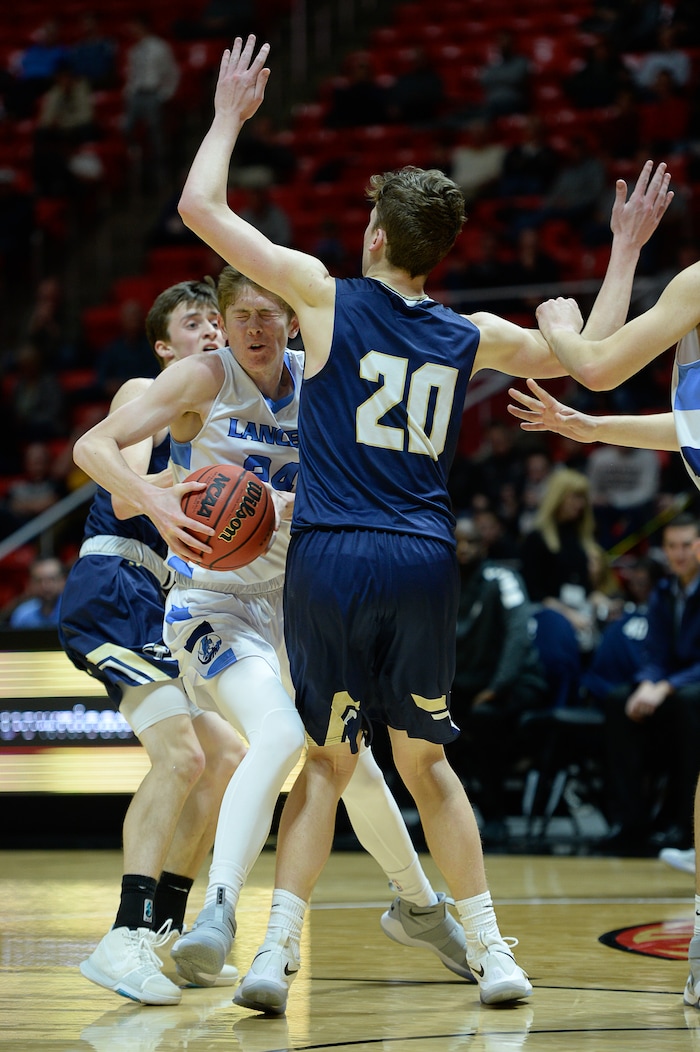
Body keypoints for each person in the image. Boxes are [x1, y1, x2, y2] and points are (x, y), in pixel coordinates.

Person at [174, 36, 672, 1014]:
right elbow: (591, 357)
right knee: (427, 765)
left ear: (372, 236)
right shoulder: (468, 332)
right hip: (418, 555)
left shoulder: (320, 295)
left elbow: (200, 209)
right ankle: (493, 954)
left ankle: (274, 954)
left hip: (328, 552)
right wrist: (620, 252)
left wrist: (230, 114)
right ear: (437, 251)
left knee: (327, 760)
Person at [73, 264, 477, 995]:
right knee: (284, 739)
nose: (255, 329)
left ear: (294, 321)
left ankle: (420, 905)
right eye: (241, 317)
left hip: (301, 600)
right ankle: (219, 913)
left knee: (347, 759)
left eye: (269, 314)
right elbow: (92, 448)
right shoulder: (202, 379)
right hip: (211, 603)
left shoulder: (323, 371)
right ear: (221, 325)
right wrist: (156, 502)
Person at [64, 279, 246, 1006]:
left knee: (225, 756)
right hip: (112, 584)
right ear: (166, 345)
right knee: (183, 755)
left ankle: (165, 933)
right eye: (194, 323)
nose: (211, 332)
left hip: (157, 599)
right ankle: (124, 935)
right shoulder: (148, 388)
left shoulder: (213, 411)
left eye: (215, 321)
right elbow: (122, 491)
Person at [448, 517, 548, 844]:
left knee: (484, 720)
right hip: (465, 684)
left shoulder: (502, 578)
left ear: (484, 546)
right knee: (426, 724)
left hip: (514, 683)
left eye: (472, 542)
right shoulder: (440, 580)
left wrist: (496, 688)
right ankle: (446, 815)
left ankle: (496, 816)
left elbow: (519, 636)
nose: (464, 549)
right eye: (458, 542)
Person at [7, 556, 65, 628]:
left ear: (63, 581)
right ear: (31, 583)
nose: (46, 586)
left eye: (52, 579)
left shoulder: (73, 612)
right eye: (39, 581)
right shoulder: (22, 615)